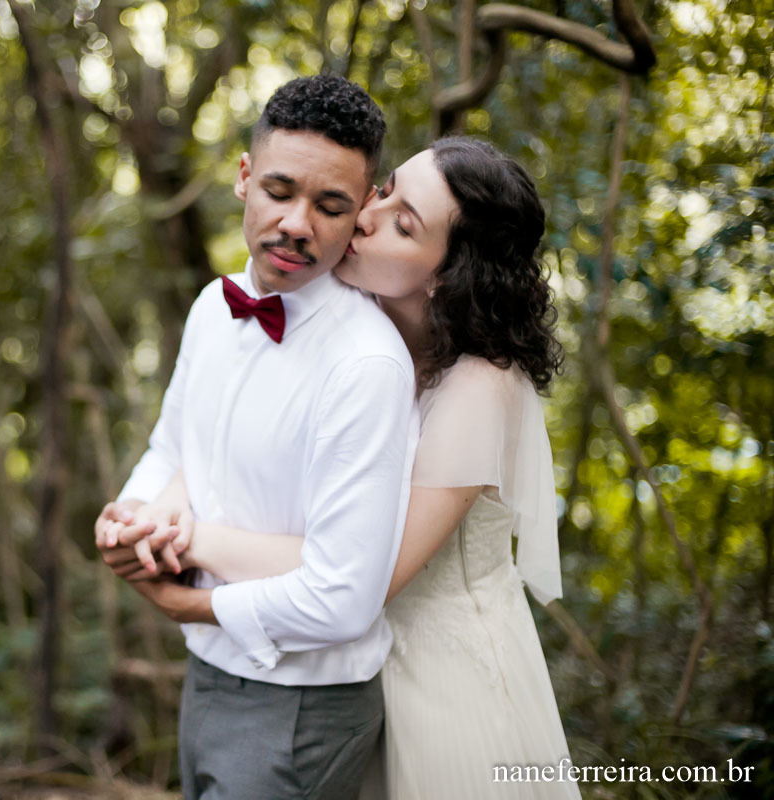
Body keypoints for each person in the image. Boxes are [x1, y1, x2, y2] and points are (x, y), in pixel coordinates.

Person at [106, 137, 580, 799]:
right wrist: (156, 506)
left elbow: (371, 575)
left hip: (441, 680)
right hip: (344, 667)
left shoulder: (479, 387)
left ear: (447, 272)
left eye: (403, 222)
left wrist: (191, 545)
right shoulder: (344, 319)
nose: (364, 216)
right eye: (384, 189)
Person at [94, 74, 418, 799]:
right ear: (244, 178)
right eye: (280, 191)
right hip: (209, 676)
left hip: (299, 701)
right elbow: (171, 448)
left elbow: (344, 596)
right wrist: (131, 515)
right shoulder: (214, 307)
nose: (298, 224)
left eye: (330, 206)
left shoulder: (365, 367)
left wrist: (190, 602)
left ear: (363, 211)